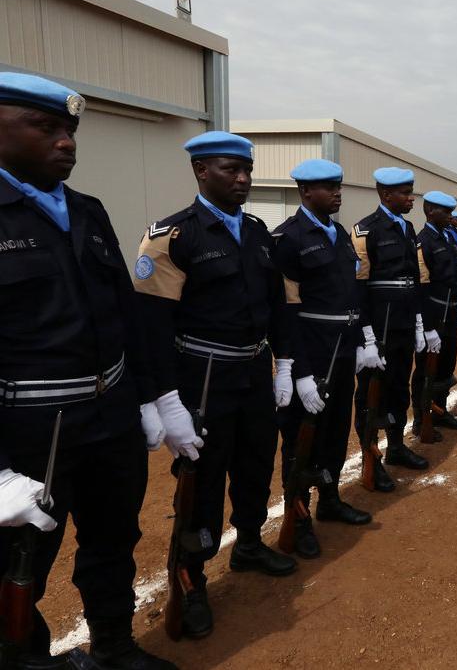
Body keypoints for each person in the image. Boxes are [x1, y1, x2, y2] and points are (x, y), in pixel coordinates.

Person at [0, 72, 175, 669]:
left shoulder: (87, 210)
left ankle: (114, 648)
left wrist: (149, 398)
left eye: (71, 131)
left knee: (113, 539)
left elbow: (125, 311)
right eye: (45, 127)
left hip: (110, 413)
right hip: (30, 428)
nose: (66, 142)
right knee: (19, 563)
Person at [134, 130, 297, 639]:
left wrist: (285, 364)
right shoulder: (172, 236)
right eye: (231, 169)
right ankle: (192, 577)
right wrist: (163, 399)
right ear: (201, 171)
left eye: (246, 170)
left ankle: (248, 543)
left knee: (256, 462)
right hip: (202, 376)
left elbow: (276, 305)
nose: (243, 179)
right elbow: (150, 325)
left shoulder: (257, 232)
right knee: (202, 480)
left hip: (253, 369)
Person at [271, 159, 374, 560]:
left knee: (334, 430)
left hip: (343, 348)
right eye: (328, 187)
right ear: (305, 191)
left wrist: (363, 340)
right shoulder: (288, 238)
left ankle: (329, 500)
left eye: (338, 186)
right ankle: (297, 519)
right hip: (312, 350)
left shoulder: (339, 235)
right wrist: (298, 370)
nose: (337, 193)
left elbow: (351, 295)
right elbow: (286, 311)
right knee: (302, 437)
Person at [351, 167, 430, 488]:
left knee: (398, 388)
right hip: (379, 328)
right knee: (371, 395)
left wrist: (419, 322)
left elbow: (413, 280)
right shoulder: (365, 231)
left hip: (403, 324)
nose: (411, 198)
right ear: (386, 195)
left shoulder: (407, 228)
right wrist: (366, 337)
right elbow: (358, 287)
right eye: (405, 193)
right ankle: (370, 458)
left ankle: (396, 446)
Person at [410, 191, 457, 439]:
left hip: (450, 313)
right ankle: (421, 418)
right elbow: (421, 287)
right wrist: (428, 326)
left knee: (445, 367)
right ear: (430, 211)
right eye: (445, 212)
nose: (450, 216)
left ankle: (440, 410)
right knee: (426, 370)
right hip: (433, 316)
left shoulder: (447, 237)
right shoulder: (423, 242)